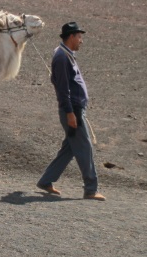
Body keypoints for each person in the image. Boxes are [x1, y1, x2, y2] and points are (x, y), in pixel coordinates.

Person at [37, 21, 105, 201]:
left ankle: (46, 181)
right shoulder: (61, 57)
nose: (81, 40)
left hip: (74, 110)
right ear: (71, 37)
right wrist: (70, 114)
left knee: (69, 149)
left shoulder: (66, 55)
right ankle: (91, 189)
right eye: (79, 37)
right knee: (85, 148)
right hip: (72, 111)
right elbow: (62, 89)